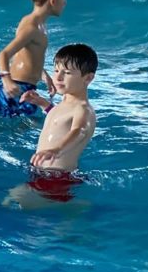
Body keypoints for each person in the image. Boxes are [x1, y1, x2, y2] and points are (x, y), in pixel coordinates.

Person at [18, 43, 98, 201]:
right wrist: (42, 103)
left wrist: (56, 150)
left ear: (88, 78)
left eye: (67, 73)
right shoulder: (65, 105)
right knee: (14, 202)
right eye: (56, 71)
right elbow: (60, 121)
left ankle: (75, 207)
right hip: (43, 173)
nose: (58, 77)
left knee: (15, 202)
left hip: (56, 178)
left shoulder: (83, 109)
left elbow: (79, 131)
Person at [0, 0, 66, 117]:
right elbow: (4, 54)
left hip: (25, 86)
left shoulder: (40, 25)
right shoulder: (31, 26)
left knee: (25, 124)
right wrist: (7, 81)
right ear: (53, 0)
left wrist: (45, 76)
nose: (65, 2)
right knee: (19, 126)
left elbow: (29, 56)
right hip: (16, 87)